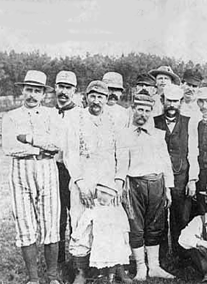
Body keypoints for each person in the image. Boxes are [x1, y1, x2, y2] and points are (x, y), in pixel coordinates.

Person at [64, 80, 128, 284]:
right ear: (86, 97)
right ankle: (81, 271)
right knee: (81, 222)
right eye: (92, 96)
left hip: (108, 180)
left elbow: (123, 153)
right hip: (83, 177)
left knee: (110, 224)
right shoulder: (75, 118)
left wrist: (118, 181)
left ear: (107, 99)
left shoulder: (115, 120)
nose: (96, 101)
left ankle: (113, 268)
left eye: (101, 97)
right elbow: (70, 153)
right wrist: (80, 182)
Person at [2, 70, 61, 284]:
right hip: (21, 171)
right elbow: (9, 147)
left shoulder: (52, 115)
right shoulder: (11, 116)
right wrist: (38, 148)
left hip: (46, 170)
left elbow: (56, 144)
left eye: (37, 91)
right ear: (22, 90)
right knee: (25, 223)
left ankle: (52, 277)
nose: (32, 96)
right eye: (29, 90)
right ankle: (33, 279)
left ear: (44, 94)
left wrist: (28, 139)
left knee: (50, 223)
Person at [115, 94, 175, 281]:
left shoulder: (158, 135)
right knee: (136, 226)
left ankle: (154, 266)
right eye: (140, 109)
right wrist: (119, 185)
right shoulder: (123, 134)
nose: (143, 114)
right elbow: (122, 164)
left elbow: (166, 163)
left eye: (147, 110)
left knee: (155, 225)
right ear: (133, 109)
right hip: (135, 185)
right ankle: (141, 266)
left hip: (156, 184)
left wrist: (168, 188)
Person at [154, 85, 193, 259]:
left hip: (181, 177)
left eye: (175, 101)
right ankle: (160, 257)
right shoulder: (153, 122)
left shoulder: (189, 122)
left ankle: (181, 257)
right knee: (159, 216)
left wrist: (192, 179)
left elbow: (194, 151)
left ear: (181, 102)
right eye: (168, 100)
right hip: (159, 176)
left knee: (181, 218)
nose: (172, 105)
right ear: (162, 101)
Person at [72, 179, 132, 284]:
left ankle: (113, 275)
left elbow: (123, 220)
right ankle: (102, 275)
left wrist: (125, 233)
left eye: (107, 197)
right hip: (101, 239)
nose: (103, 201)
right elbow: (85, 219)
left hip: (115, 238)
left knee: (116, 255)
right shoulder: (94, 205)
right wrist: (78, 233)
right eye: (101, 194)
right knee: (102, 257)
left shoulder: (116, 206)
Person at [53, 70, 82, 265]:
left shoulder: (81, 114)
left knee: (77, 216)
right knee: (57, 216)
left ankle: (77, 260)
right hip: (53, 169)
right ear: (55, 88)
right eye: (60, 87)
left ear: (75, 90)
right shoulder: (47, 113)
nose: (63, 92)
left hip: (75, 171)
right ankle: (59, 260)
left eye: (68, 88)